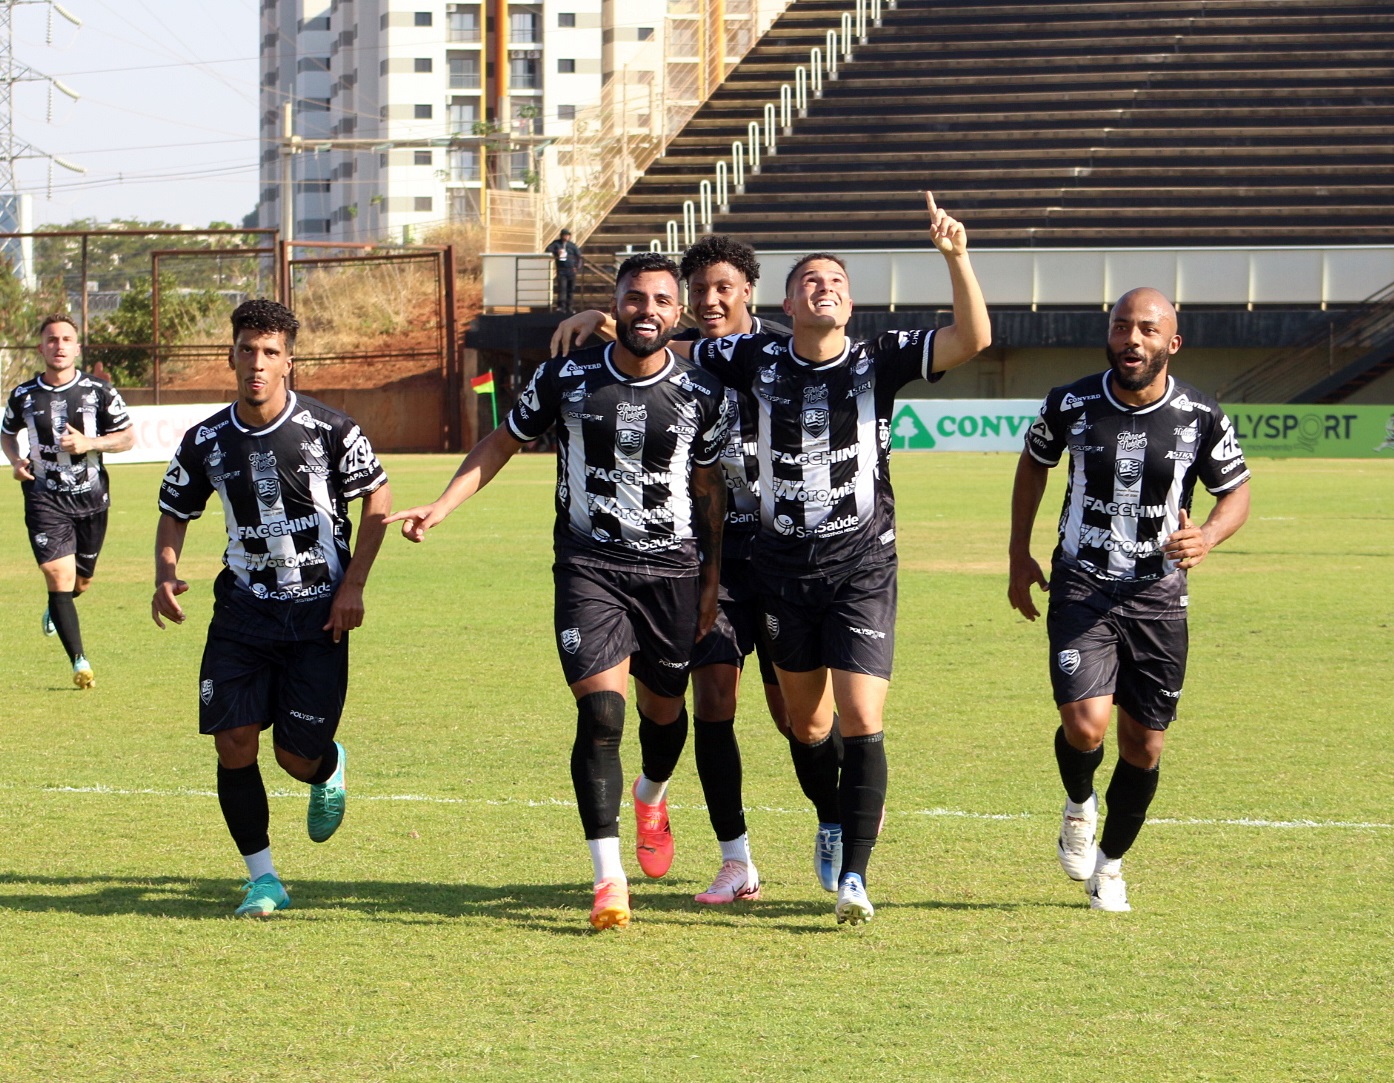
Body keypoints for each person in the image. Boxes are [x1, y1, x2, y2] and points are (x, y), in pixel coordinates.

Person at [388, 253, 732, 931]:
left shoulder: (703, 391)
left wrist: (712, 582)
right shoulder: (567, 376)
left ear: (677, 312)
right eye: (636, 299)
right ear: (619, 305)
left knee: (665, 716)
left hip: (673, 570)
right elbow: (501, 442)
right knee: (602, 714)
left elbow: (710, 487)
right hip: (589, 566)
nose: (648, 311)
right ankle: (609, 878)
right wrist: (442, 505)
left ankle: (652, 794)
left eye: (662, 301)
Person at [682, 193, 992, 924]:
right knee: (808, 724)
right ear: (786, 303)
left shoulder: (877, 358)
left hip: (862, 564)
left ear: (850, 305)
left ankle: (855, 877)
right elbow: (662, 346)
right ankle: (833, 814)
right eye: (811, 281)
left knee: (859, 715)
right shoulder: (748, 354)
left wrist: (957, 256)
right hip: (782, 571)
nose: (825, 287)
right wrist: (594, 325)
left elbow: (972, 338)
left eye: (837, 282)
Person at [551, 234, 795, 906]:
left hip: (780, 554)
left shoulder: (779, 349)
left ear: (749, 289)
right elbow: (647, 345)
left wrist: (601, 322)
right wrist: (598, 324)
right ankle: (733, 858)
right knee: (712, 700)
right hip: (697, 554)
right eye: (700, 290)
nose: (710, 300)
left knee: (796, 717)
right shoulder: (680, 355)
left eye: (724, 287)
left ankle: (842, 809)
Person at [1007, 287, 1251, 912]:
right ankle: (1079, 803)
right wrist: (1018, 552)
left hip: (1159, 597)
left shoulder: (1201, 414)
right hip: (1082, 583)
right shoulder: (1072, 401)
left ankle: (1110, 866)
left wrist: (1210, 536)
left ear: (1172, 341)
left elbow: (1236, 494)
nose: (1131, 340)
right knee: (1085, 726)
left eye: (1146, 329)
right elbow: (1033, 463)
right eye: (1121, 327)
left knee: (1144, 746)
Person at [151, 299, 392, 918]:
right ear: (229, 355)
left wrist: (353, 586)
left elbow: (378, 500)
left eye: (270, 353)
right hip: (242, 612)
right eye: (247, 351)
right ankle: (263, 879)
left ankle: (328, 764)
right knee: (233, 740)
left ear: (290, 361)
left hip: (318, 614)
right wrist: (165, 575)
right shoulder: (205, 440)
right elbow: (175, 511)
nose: (256, 364)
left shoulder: (330, 429)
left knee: (295, 757)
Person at [2, 314, 134, 688]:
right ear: (41, 347)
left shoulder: (99, 391)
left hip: (92, 498)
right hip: (44, 498)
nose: (58, 345)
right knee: (58, 576)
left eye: (66, 339)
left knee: (82, 582)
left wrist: (89, 443)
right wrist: (15, 461)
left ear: (77, 348)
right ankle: (80, 661)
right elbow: (7, 434)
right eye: (51, 339)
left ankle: (59, 607)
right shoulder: (23, 395)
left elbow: (126, 438)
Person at [544, 228, 583, 312]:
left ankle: (570, 307)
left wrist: (577, 267)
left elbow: (579, 257)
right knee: (562, 288)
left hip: (571, 270)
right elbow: (548, 249)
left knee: (570, 289)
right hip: (562, 270)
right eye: (564, 235)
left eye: (567, 235)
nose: (566, 237)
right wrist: (556, 252)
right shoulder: (556, 244)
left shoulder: (572, 245)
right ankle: (561, 307)